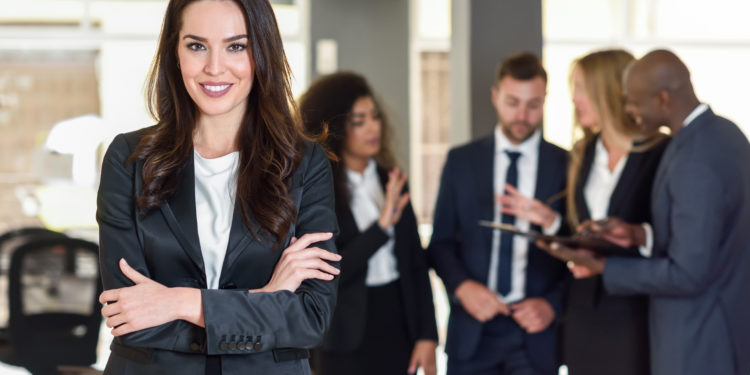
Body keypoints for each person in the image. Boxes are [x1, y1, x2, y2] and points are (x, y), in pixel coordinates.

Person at [96, 1, 340, 374]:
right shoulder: (129, 158)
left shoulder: (304, 163)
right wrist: (264, 298)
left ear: (261, 53)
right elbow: (128, 317)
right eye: (197, 46)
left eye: (236, 46)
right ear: (174, 53)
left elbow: (310, 317)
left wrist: (178, 302)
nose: (214, 66)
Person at [552, 49, 750, 375]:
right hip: (718, 329)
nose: (628, 110)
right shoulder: (723, 134)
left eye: (633, 101)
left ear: (662, 99)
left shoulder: (693, 158)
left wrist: (604, 267)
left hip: (699, 340)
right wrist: (638, 234)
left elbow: (689, 273)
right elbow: (709, 233)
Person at [504, 49, 668, 375]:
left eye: (580, 88)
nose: (575, 99)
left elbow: (668, 237)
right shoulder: (583, 152)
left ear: (607, 91)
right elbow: (584, 231)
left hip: (635, 315)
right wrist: (552, 223)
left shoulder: (659, 151)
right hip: (582, 316)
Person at [427, 52, 568, 375]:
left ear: (545, 101)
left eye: (533, 105)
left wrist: (552, 305)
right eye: (513, 102)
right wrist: (463, 287)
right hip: (473, 331)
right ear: (495, 97)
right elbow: (441, 243)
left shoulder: (567, 164)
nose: (522, 115)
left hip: (536, 334)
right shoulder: (461, 161)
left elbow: (579, 254)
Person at [299, 72, 438, 375]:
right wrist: (381, 227)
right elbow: (327, 272)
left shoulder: (393, 181)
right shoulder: (318, 191)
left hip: (399, 324)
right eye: (358, 121)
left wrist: (428, 334)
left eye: (374, 117)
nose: (373, 127)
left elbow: (416, 263)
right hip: (342, 335)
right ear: (335, 127)